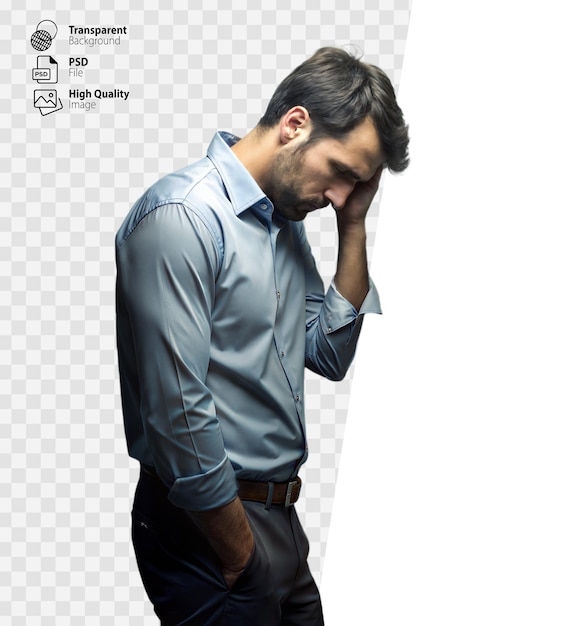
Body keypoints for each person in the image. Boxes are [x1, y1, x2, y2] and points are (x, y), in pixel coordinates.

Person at [115, 46, 409, 625]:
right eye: (342, 173)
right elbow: (177, 414)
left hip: (278, 521)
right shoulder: (183, 217)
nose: (340, 196)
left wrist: (353, 229)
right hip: (210, 530)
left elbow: (327, 353)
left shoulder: (281, 222)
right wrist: (239, 554)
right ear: (295, 124)